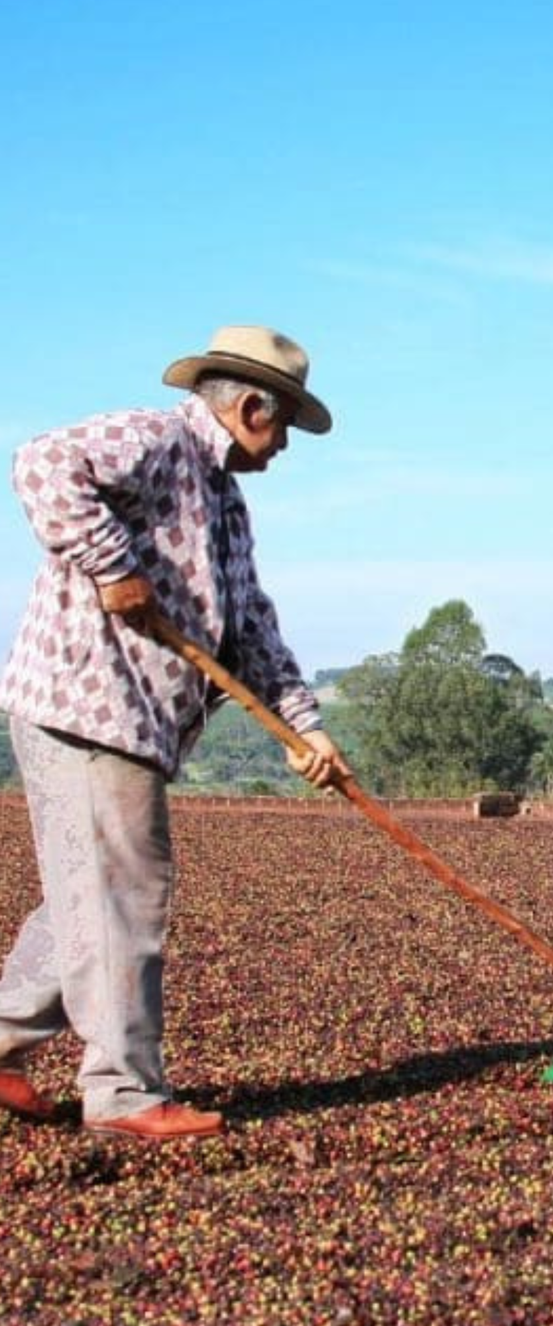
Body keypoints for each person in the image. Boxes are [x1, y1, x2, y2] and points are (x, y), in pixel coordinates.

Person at [0, 326, 351, 1140]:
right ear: (253, 408)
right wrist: (113, 566)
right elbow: (41, 463)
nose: (285, 446)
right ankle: (123, 1094)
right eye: (285, 425)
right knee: (124, 892)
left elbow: (249, 626)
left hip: (119, 718)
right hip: (90, 706)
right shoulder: (156, 439)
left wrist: (305, 727)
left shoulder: (223, 501)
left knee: (88, 896)